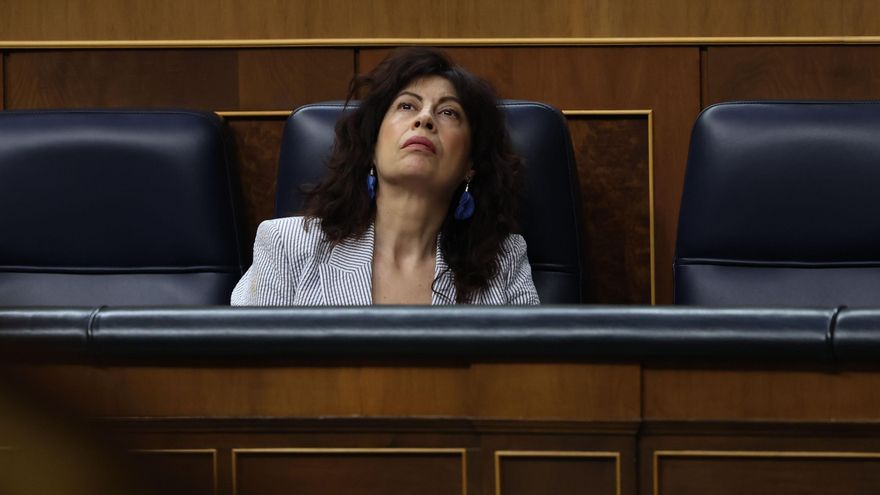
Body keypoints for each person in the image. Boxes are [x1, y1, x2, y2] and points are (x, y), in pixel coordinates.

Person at [231, 47, 539, 305]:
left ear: (470, 165)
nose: (424, 119)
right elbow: (250, 372)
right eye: (407, 105)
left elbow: (531, 375)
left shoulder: (503, 262)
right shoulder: (288, 246)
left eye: (448, 112)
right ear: (372, 148)